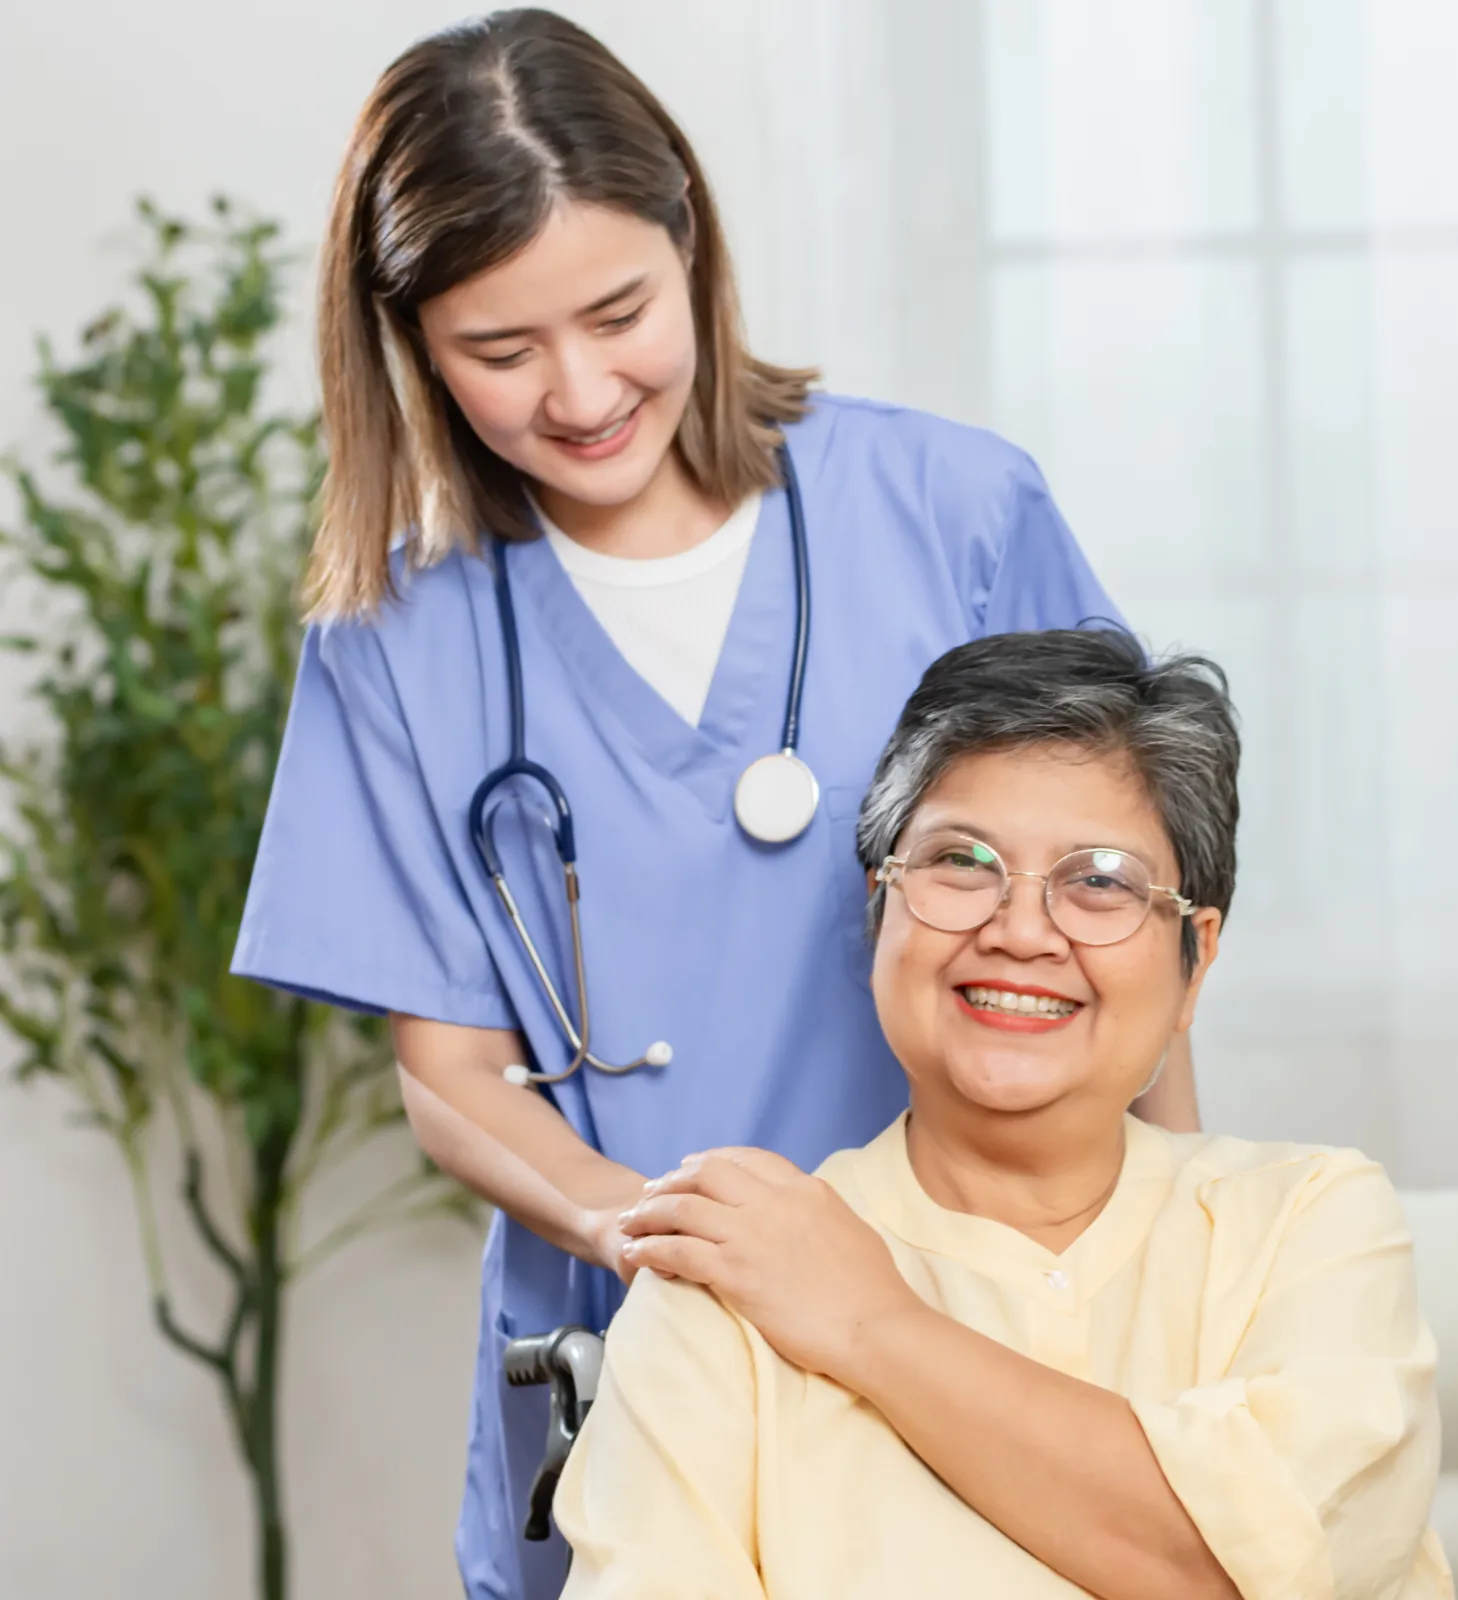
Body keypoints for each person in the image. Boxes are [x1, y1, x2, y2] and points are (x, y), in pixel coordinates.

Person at [229, 14, 1197, 1598]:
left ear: (691, 231)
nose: (583, 389)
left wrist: (1177, 1270)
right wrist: (668, 1250)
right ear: (408, 340)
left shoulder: (953, 511)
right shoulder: (395, 639)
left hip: (990, 1325)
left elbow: (1129, 922)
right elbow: (454, 1079)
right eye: (500, 349)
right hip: (628, 1364)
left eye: (619, 311)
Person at [547, 627, 1451, 1599]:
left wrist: (870, 1323)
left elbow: (1253, 1567)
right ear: (879, 908)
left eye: (1099, 879)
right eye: (960, 862)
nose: (1020, 930)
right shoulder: (724, 1277)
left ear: (1196, 956)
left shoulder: (1308, 1224)